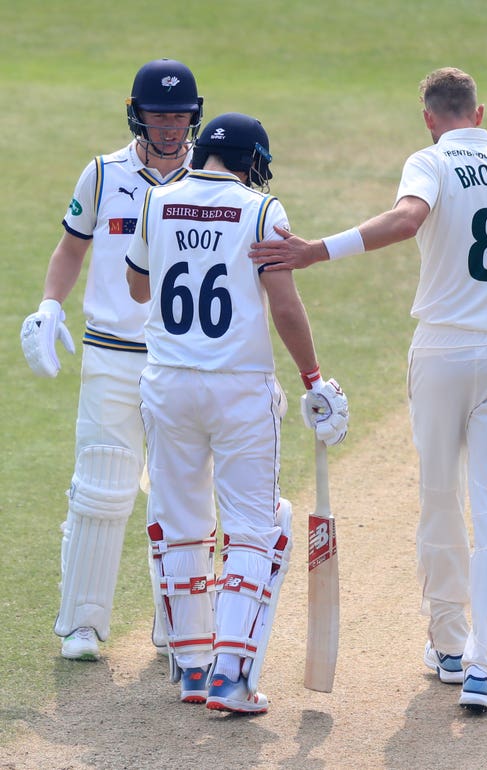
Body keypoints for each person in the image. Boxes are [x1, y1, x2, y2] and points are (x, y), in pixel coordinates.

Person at [248, 67, 487, 712]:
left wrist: (317, 250)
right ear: (479, 114)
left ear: (430, 117)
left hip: (443, 352)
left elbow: (407, 221)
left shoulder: (429, 161)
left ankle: (450, 647)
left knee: (439, 494)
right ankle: (486, 670)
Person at [125, 112, 349, 713]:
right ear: (253, 162)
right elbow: (285, 305)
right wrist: (313, 379)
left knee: (178, 523)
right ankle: (232, 676)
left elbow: (138, 288)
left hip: (167, 384)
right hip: (239, 388)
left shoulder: (157, 200)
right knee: (256, 526)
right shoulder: (260, 210)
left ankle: (193, 669)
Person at [20, 58, 204, 661]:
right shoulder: (101, 174)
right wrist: (50, 306)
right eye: (160, 115)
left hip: (183, 360)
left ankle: (175, 624)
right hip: (110, 353)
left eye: (181, 116)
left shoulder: (212, 180)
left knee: (182, 495)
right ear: (137, 114)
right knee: (101, 487)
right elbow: (70, 248)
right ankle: (82, 624)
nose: (172, 128)